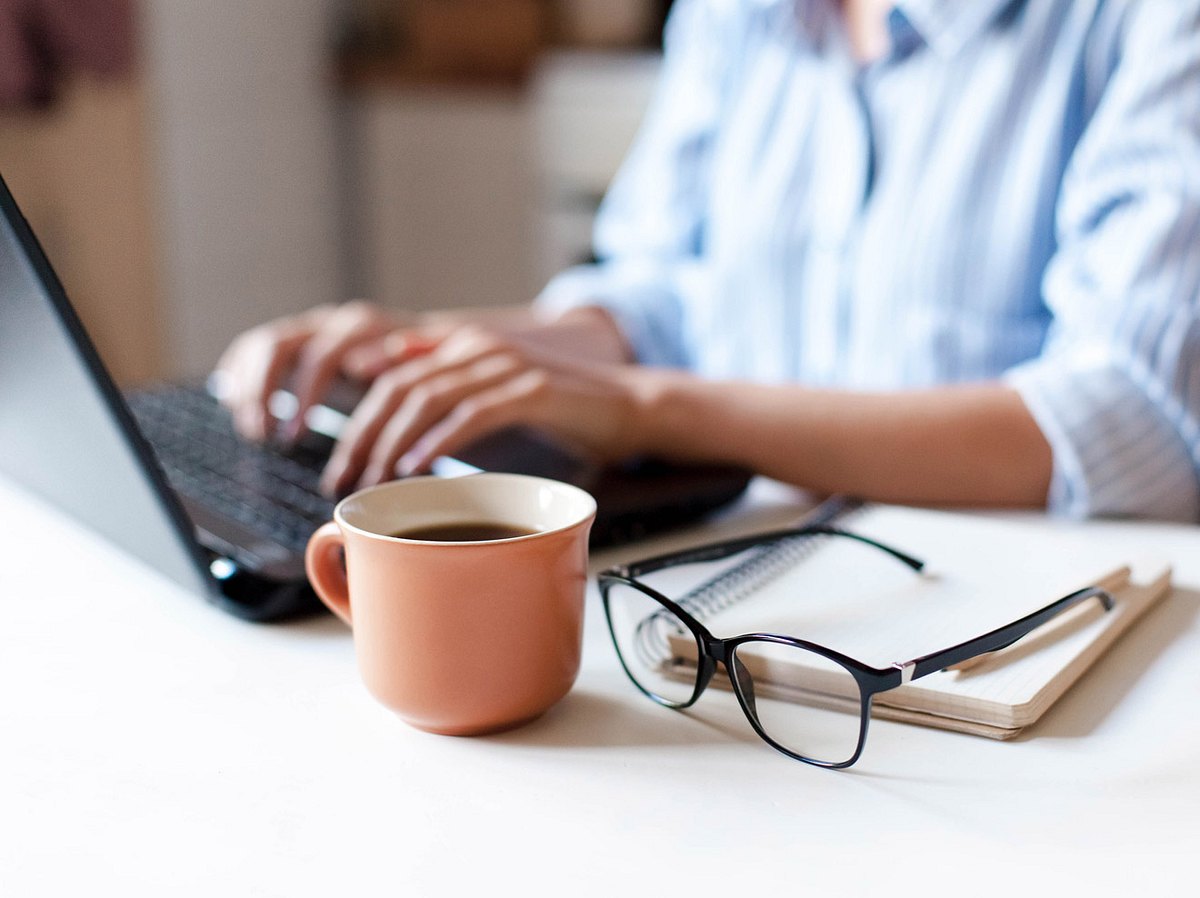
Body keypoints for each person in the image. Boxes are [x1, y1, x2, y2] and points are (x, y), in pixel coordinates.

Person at [216, 0, 1200, 521]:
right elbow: (668, 297)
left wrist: (660, 408)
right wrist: (440, 352)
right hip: (749, 599)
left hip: (1010, 649)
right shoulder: (738, 13)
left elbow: (1131, 421)